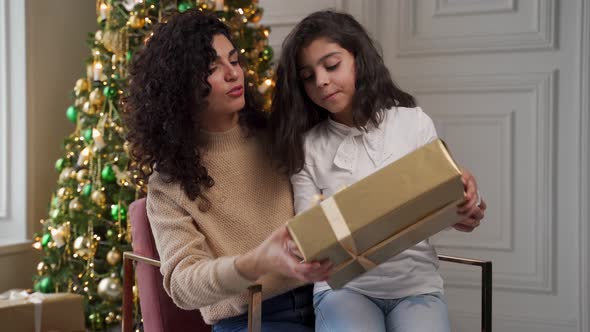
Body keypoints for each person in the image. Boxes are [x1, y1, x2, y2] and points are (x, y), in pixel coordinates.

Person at [268, 10, 487, 332]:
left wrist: (468, 204)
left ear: (359, 59)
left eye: (331, 65)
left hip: (417, 286)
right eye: (308, 76)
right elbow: (310, 233)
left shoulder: (412, 123)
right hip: (344, 289)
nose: (322, 81)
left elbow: (454, 211)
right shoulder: (308, 147)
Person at [123, 9, 333, 332]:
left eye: (234, 60)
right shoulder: (169, 184)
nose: (233, 74)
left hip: (325, 297)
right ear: (182, 88)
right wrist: (255, 263)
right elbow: (181, 284)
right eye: (212, 68)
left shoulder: (278, 135)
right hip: (249, 320)